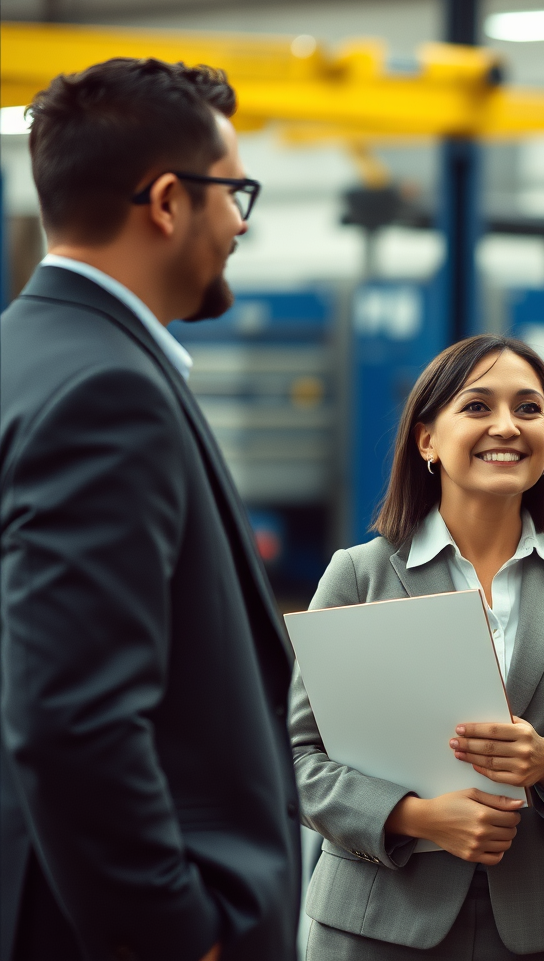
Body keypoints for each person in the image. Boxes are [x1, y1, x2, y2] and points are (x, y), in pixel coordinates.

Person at [0, 59, 301, 961]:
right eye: (233, 192)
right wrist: (177, 934)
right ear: (168, 200)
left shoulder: (24, 355)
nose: (240, 222)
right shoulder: (107, 393)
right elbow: (71, 718)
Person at [289, 334, 544, 960]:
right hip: (376, 923)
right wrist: (413, 816)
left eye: (529, 409)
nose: (507, 427)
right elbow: (295, 760)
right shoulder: (359, 575)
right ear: (427, 439)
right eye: (478, 406)